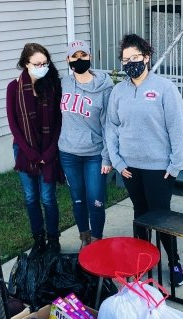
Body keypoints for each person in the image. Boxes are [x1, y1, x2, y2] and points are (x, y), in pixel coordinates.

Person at [106, 34, 183, 286]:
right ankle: (143, 262)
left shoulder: (165, 88)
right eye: (126, 59)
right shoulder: (119, 91)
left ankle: (173, 261)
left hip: (158, 169)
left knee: (161, 217)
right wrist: (118, 162)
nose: (131, 63)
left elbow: (177, 127)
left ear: (147, 57)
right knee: (140, 216)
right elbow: (111, 126)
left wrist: (175, 165)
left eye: (135, 58)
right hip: (130, 169)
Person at [6, 43, 63, 257]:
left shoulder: (52, 86)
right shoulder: (14, 88)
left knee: (48, 198)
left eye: (44, 63)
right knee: (31, 197)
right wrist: (31, 153)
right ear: (25, 64)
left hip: (48, 149)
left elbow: (59, 121)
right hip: (24, 151)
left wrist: (48, 153)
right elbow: (13, 124)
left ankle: (53, 239)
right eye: (36, 64)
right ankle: (38, 239)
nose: (41, 67)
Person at [58, 40, 114, 249]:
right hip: (68, 153)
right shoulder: (63, 83)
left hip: (94, 153)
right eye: (75, 56)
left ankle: (97, 242)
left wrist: (108, 156)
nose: (79, 59)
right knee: (78, 199)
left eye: (83, 55)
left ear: (90, 58)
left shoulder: (104, 86)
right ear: (68, 60)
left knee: (95, 200)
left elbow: (110, 123)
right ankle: (85, 238)